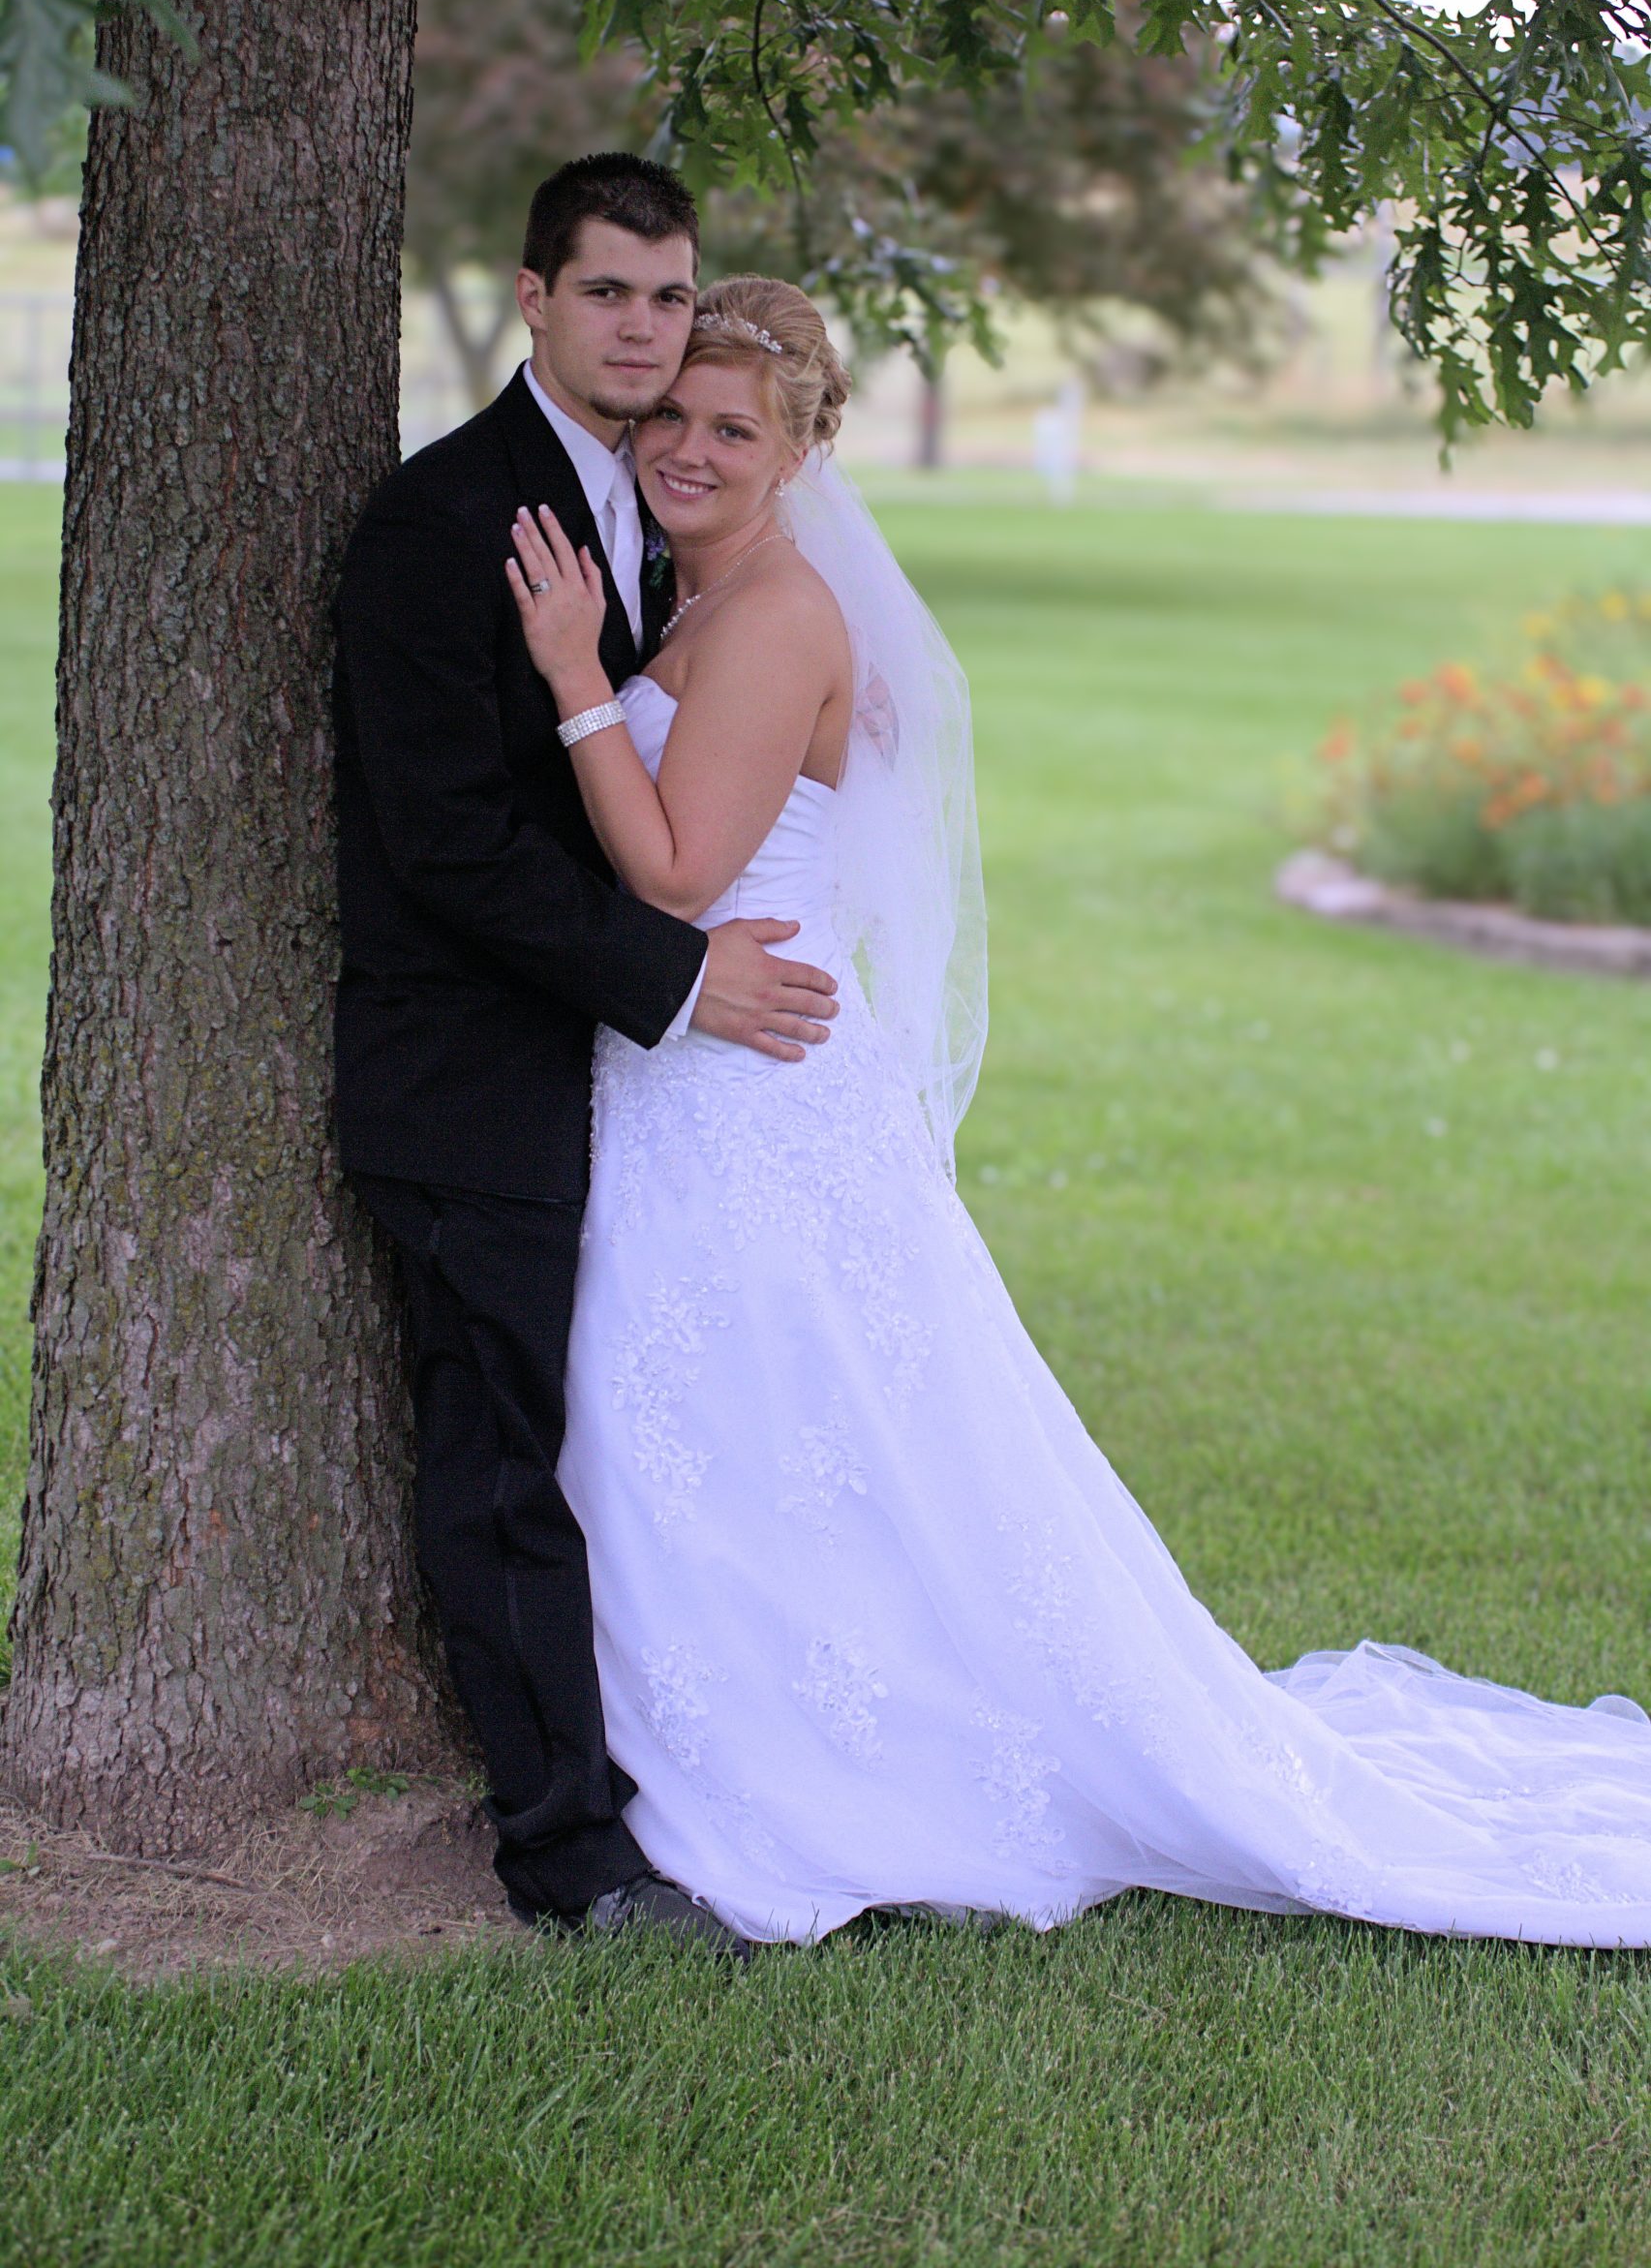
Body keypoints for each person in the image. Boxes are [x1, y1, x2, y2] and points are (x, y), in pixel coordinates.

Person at [505, 271, 1651, 1950]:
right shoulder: (704, 603)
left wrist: (567, 679)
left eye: (731, 426)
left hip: (746, 1083)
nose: (686, 445)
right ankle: (765, 1716)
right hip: (711, 1074)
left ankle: (820, 1756)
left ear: (806, 447)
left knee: (756, 1411)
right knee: (768, 1426)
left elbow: (675, 866)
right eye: (668, 411)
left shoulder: (768, 615)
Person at [331, 159, 837, 1946]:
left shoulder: (661, 514)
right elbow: (447, 844)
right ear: (533, 295)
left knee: (639, 1453)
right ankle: (570, 1859)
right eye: (609, 292)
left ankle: (731, 1777)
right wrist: (681, 979)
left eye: (667, 295)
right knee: (503, 1470)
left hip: (628, 1095)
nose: (642, 327)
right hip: (473, 1081)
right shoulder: (438, 521)